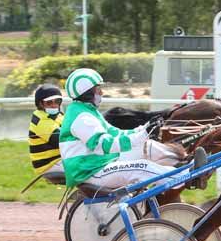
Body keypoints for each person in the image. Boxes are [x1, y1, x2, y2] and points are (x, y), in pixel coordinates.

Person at [59, 68, 206, 190]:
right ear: (87, 93)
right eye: (98, 90)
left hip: (99, 163)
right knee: (142, 167)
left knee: (147, 147)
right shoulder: (81, 118)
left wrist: (146, 128)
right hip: (90, 172)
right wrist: (142, 135)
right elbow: (106, 145)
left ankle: (184, 165)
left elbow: (116, 133)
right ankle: (188, 177)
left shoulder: (87, 111)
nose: (101, 93)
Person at [28, 84, 65, 175]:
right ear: (40, 104)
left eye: (57, 101)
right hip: (49, 165)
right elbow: (61, 140)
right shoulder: (41, 120)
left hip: (60, 160)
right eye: (49, 102)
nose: (54, 105)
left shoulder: (58, 115)